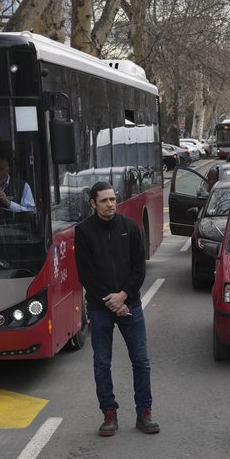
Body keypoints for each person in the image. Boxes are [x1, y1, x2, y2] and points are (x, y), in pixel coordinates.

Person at [75, 182, 158, 436]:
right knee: (102, 363)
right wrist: (111, 301)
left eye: (112, 199)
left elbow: (139, 269)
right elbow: (86, 274)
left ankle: (144, 413)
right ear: (93, 203)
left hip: (130, 305)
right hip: (100, 308)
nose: (110, 204)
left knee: (141, 361)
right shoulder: (83, 231)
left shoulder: (130, 228)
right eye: (104, 200)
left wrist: (123, 297)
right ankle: (109, 414)